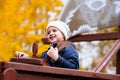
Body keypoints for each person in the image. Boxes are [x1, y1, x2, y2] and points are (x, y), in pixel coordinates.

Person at [15, 21, 79, 69]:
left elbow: (74, 67)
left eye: (54, 31)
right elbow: (40, 65)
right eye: (48, 32)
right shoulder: (46, 53)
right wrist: (27, 58)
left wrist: (57, 58)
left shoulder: (68, 48)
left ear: (63, 35)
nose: (51, 33)